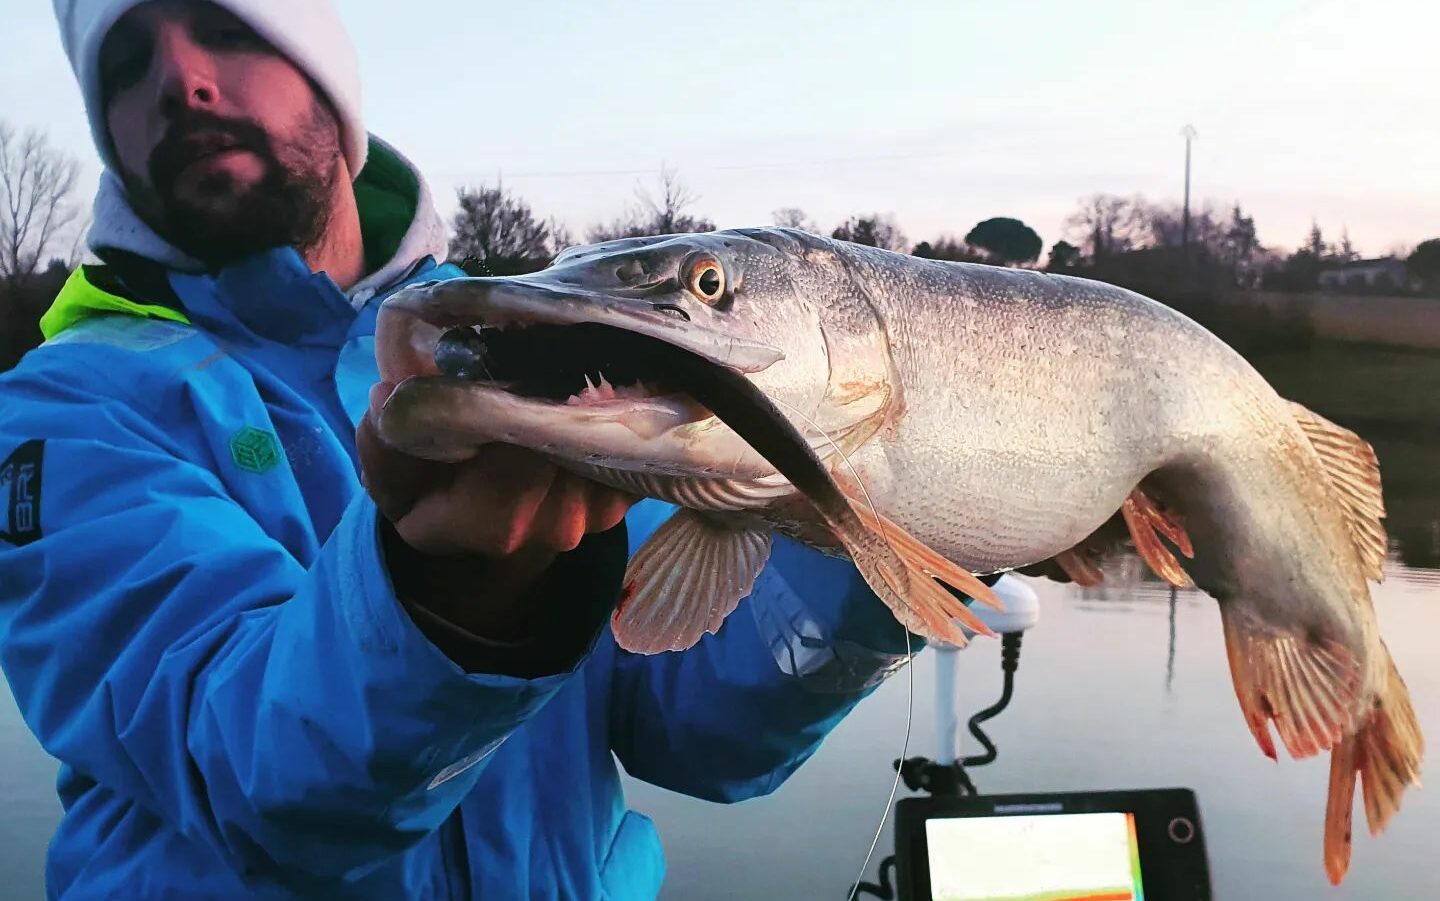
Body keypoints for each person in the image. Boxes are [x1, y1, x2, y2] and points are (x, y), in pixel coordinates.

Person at [0, 1, 930, 897]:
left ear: (324, 68)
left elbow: (696, 724)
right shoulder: (60, 410)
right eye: (126, 64)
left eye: (225, 28)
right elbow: (255, 777)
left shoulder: (537, 341)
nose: (180, 80)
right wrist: (446, 599)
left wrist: (917, 541)